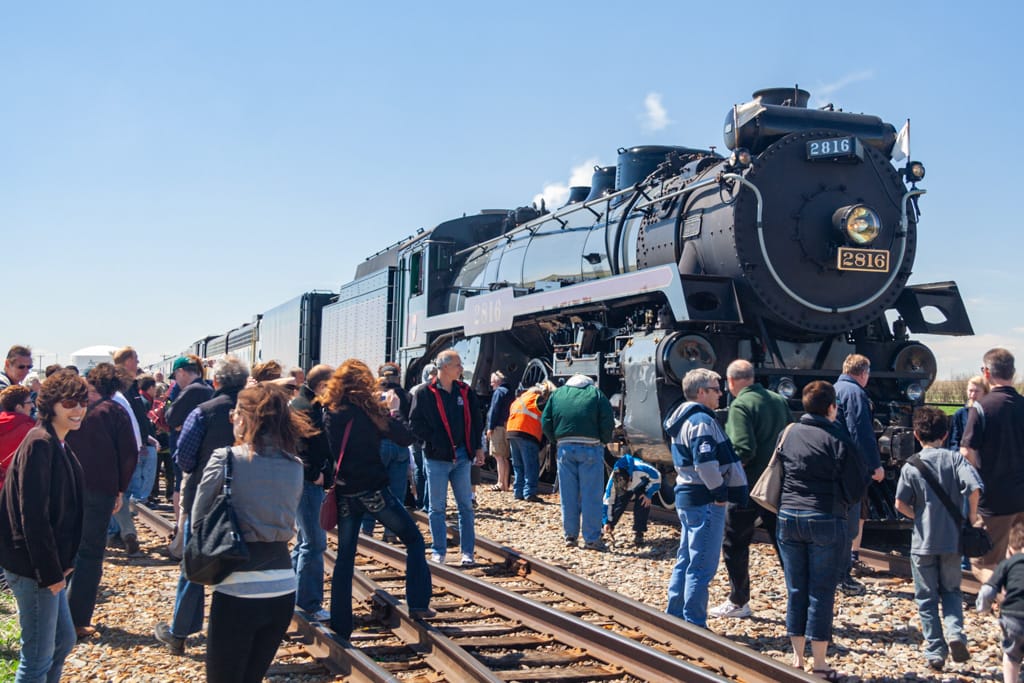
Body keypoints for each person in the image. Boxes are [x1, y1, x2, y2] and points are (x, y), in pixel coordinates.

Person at [191, 382, 312, 683]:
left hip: (238, 585)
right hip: (283, 586)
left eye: (235, 413)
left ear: (245, 419)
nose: (232, 418)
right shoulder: (295, 465)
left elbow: (198, 520)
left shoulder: (226, 458)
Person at [323, 359, 432, 639]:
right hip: (373, 491)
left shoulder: (330, 411)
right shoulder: (370, 411)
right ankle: (418, 603)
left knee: (344, 558)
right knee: (413, 540)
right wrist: (393, 410)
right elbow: (405, 438)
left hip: (345, 492)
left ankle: (341, 624)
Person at [154, 357, 250, 655]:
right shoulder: (257, 411)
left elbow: (184, 458)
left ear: (216, 381)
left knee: (194, 564)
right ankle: (236, 633)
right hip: (248, 497)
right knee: (242, 565)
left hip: (204, 498)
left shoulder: (203, 412)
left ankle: (179, 633)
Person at [0, 370, 88, 683]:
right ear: (50, 405)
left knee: (62, 640)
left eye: (82, 402)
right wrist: (50, 572)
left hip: (47, 566)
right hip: (34, 568)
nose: (78, 409)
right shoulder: (40, 443)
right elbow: (33, 516)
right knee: (36, 658)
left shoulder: (56, 441)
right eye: (69, 403)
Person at [775, 381, 867, 678]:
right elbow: (857, 486)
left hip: (788, 517)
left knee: (796, 588)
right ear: (831, 407)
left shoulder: (788, 433)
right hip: (825, 517)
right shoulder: (838, 438)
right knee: (821, 591)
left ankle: (797, 658)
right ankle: (819, 662)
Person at [894, 406, 980, 671]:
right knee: (952, 591)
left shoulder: (911, 465)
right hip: (952, 541)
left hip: (923, 543)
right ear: (945, 435)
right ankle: (955, 634)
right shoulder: (955, 460)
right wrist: (971, 516)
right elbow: (974, 487)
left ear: (916, 435)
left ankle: (935, 651)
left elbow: (899, 504)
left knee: (926, 598)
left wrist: (918, 517)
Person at [663, 368, 747, 628]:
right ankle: (694, 624)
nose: (720, 394)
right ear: (700, 392)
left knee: (687, 559)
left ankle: (675, 614)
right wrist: (720, 492)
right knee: (702, 565)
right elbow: (705, 462)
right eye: (715, 389)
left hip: (690, 496)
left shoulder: (682, 418)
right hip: (705, 499)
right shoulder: (700, 421)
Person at [712, 359, 792, 619]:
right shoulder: (778, 400)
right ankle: (800, 600)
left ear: (731, 381)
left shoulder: (741, 405)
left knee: (734, 542)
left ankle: (739, 601)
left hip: (747, 487)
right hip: (777, 485)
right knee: (785, 545)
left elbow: (744, 449)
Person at [64, 363, 138, 639]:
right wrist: (120, 489)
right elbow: (129, 453)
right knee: (90, 553)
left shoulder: (71, 409)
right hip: (100, 490)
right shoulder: (114, 411)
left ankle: (54, 614)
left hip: (66, 487)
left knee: (64, 547)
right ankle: (77, 619)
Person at [410, 349, 484, 566]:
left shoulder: (465, 391)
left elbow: (476, 420)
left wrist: (478, 447)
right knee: (437, 507)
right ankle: (439, 551)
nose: (461, 368)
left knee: (466, 506)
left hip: (462, 456)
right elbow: (414, 424)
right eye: (457, 365)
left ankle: (467, 552)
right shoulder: (424, 393)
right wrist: (433, 441)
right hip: (436, 458)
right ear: (443, 367)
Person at [961, 348, 1024, 583]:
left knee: (983, 563)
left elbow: (967, 451)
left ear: (986, 372)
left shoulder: (981, 408)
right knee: (1017, 557)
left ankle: (1007, 598)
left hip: (994, 499)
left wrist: (978, 476)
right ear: (1013, 372)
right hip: (1021, 495)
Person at [541, 373, 614, 550]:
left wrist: (555, 440)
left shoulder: (557, 394)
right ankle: (591, 539)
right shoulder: (596, 394)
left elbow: (545, 420)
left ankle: (570, 536)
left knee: (568, 494)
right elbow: (608, 421)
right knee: (591, 495)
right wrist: (603, 441)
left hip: (565, 448)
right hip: (591, 447)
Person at [834, 353, 884, 596]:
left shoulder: (834, 389)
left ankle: (835, 573)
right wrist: (874, 465)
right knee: (848, 523)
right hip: (849, 467)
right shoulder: (855, 393)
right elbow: (861, 432)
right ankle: (843, 576)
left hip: (834, 463)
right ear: (864, 373)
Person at [289, 363, 334, 621]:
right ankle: (309, 603)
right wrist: (314, 473)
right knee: (315, 543)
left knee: (304, 540)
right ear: (322, 385)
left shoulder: (308, 404)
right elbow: (299, 444)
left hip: (306, 479)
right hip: (307, 482)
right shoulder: (304, 407)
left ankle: (292, 594)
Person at [164, 355, 214, 558]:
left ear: (181, 372)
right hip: (205, 455)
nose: (176, 381)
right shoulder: (208, 389)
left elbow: (170, 417)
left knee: (187, 500)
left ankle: (181, 549)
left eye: (176, 376)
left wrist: (180, 424)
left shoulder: (192, 390)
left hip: (189, 455)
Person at [363, 364, 411, 541]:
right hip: (400, 447)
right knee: (397, 493)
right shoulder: (406, 396)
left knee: (372, 490)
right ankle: (391, 532)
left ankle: (367, 530)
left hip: (378, 446)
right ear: (398, 377)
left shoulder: (371, 398)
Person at [976, 524, 1024, 683]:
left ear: (1010, 549)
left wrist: (983, 608)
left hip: (1012, 616)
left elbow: (988, 590)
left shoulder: (1008, 564)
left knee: (1011, 655)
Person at [506, 381, 554, 502]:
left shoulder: (519, 399)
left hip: (512, 433)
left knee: (518, 465)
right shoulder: (536, 399)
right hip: (527, 433)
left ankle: (518, 492)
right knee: (531, 465)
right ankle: (529, 493)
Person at [601, 453, 661, 547]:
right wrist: (606, 521)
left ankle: (639, 533)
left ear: (629, 477)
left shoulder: (641, 468)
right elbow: (608, 500)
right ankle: (607, 527)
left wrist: (648, 494)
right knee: (618, 505)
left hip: (641, 486)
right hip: (626, 489)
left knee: (643, 502)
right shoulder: (614, 478)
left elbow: (657, 477)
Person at [407, 364, 437, 511]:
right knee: (428, 470)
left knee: (421, 469)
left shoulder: (415, 390)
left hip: (418, 435)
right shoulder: (436, 390)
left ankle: (421, 501)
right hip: (427, 435)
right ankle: (428, 502)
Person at [0, 385, 35, 487]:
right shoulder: (30, 429)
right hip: (17, 485)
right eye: (29, 402)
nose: (32, 406)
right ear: (18, 407)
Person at [485, 371, 513, 492]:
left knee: (498, 456)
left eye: (492, 382)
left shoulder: (498, 392)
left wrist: (490, 427)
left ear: (497, 381)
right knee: (505, 457)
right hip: (507, 426)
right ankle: (505, 484)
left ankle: (500, 483)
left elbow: (494, 410)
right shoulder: (509, 392)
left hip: (498, 427)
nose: (491, 384)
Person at [947, 375, 989, 451]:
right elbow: (954, 441)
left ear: (985, 393)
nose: (972, 395)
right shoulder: (960, 414)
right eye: (970, 391)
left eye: (976, 391)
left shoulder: (990, 413)